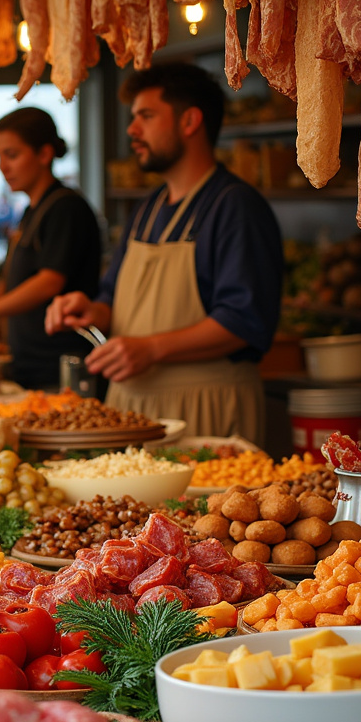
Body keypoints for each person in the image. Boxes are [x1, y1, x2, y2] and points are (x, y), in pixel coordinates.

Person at [45, 62, 284, 443]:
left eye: (146, 116)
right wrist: (91, 311)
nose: (131, 130)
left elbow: (244, 321)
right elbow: (112, 298)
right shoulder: (148, 207)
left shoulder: (235, 206)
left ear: (190, 121)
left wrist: (151, 349)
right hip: (131, 404)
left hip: (206, 408)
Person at [0, 107, 102, 389]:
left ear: (44, 154)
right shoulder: (32, 210)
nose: (2, 166)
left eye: (12, 155)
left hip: (58, 365)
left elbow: (48, 281)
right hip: (28, 362)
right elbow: (19, 281)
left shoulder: (65, 207)